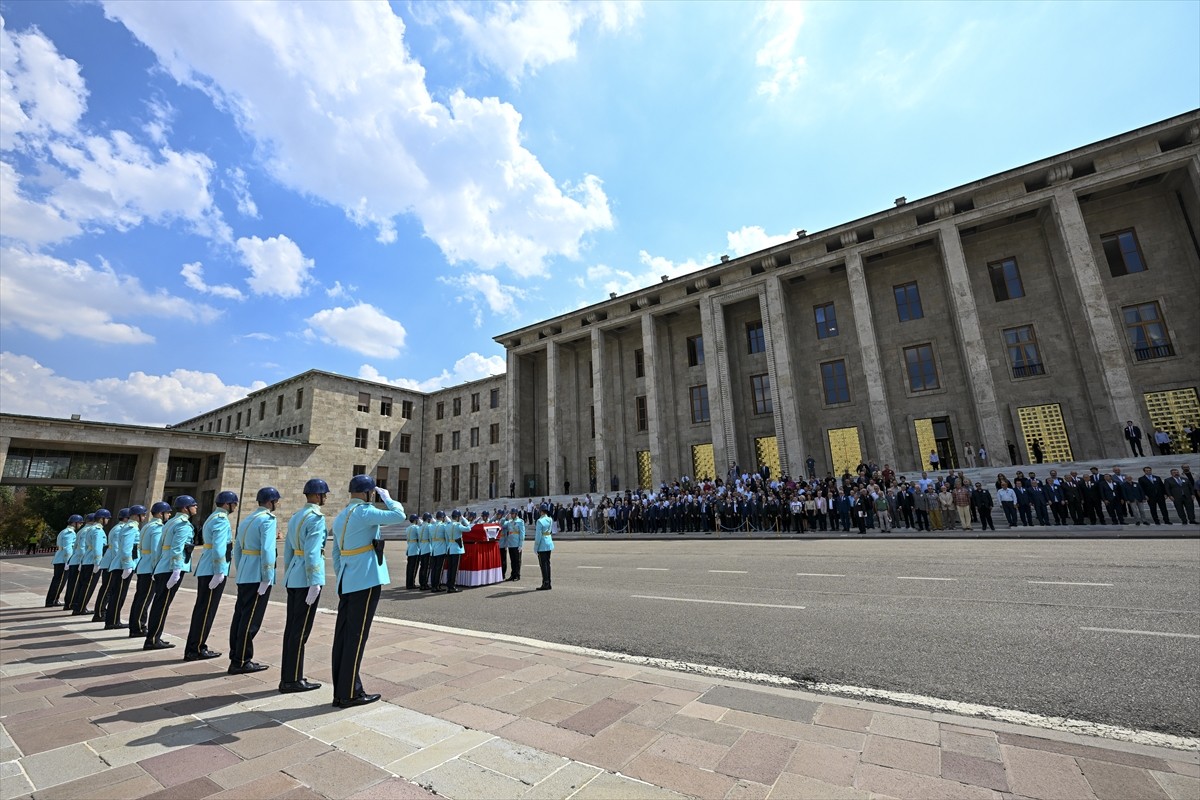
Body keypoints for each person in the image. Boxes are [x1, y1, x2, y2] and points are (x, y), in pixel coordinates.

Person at [330, 474, 404, 708]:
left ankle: (341, 690)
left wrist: (345, 573)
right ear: (368, 493)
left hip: (348, 579)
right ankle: (350, 692)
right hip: (365, 580)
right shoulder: (364, 512)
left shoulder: (342, 516)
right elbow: (399, 515)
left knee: (343, 637)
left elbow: (335, 554)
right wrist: (389, 499)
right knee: (356, 637)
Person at [280, 478, 329, 694]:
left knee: (292, 628)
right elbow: (312, 552)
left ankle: (289, 675)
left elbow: (289, 551)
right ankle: (292, 679)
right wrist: (315, 581)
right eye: (324, 495)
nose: (325, 498)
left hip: (294, 575)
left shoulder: (296, 517)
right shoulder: (316, 518)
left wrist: (290, 573)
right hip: (306, 579)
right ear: (318, 496)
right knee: (300, 631)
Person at [228, 487, 279, 675]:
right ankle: (242, 660)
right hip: (258, 574)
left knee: (240, 617)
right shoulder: (267, 520)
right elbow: (267, 550)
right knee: (251, 620)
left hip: (245, 573)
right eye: (276, 501)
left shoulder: (247, 520)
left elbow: (238, 549)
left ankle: (236, 655)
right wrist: (267, 576)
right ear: (270, 502)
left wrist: (241, 569)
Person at [185, 490, 238, 661]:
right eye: (234, 503)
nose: (235, 507)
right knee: (206, 610)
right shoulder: (221, 520)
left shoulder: (213, 517)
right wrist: (219, 571)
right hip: (212, 570)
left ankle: (195, 646)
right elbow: (219, 547)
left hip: (206, 568)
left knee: (202, 609)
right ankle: (196, 648)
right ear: (227, 504)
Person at [145, 495, 198, 651]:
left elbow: (161, 547)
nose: (196, 507)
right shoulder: (183, 525)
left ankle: (154, 637)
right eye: (193, 505)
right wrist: (176, 569)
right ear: (185, 508)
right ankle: (153, 639)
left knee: (159, 603)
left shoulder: (170, 523)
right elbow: (177, 548)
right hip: (170, 569)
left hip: (163, 566)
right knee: (162, 605)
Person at [128, 502, 170, 638]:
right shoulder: (157, 528)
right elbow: (155, 551)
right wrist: (155, 569)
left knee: (140, 598)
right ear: (160, 514)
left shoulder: (147, 526)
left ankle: (135, 625)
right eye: (167, 512)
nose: (169, 515)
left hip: (143, 565)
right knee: (144, 599)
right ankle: (139, 627)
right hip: (149, 568)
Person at [104, 504, 145, 629]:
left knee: (118, 594)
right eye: (142, 514)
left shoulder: (129, 527)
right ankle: (112, 622)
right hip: (123, 566)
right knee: (118, 595)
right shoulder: (131, 528)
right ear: (136, 516)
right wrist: (127, 565)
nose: (144, 517)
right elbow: (126, 548)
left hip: (122, 564)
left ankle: (113, 620)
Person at [89, 508, 125, 621]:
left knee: (108, 588)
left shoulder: (117, 528)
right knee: (107, 589)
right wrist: (118, 563)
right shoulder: (119, 529)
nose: (108, 520)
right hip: (111, 563)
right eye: (107, 518)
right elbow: (116, 548)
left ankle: (100, 612)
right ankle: (99, 613)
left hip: (110, 562)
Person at [72, 508, 110, 615]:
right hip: (92, 561)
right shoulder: (98, 531)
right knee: (88, 586)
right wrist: (98, 562)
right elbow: (98, 548)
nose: (107, 520)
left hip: (86, 560)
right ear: (102, 519)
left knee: (83, 585)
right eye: (107, 518)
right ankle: (80, 608)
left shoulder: (90, 529)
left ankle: (78, 606)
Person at [45, 514, 83, 607]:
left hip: (60, 558)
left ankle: (53, 599)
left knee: (57, 580)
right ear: (75, 523)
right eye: (80, 523)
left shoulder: (64, 531)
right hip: (63, 559)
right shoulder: (70, 532)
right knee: (59, 581)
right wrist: (68, 561)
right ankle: (52, 600)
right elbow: (68, 548)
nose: (81, 525)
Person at [62, 513, 93, 613]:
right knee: (75, 585)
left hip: (75, 560)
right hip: (79, 560)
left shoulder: (81, 531)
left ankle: (70, 603)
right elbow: (83, 547)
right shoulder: (87, 531)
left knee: (73, 584)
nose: (80, 524)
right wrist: (81, 561)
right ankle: (71, 603)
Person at [445, 510, 469, 593]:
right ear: (458, 517)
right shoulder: (458, 525)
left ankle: (449, 585)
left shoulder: (448, 525)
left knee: (450, 568)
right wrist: (464, 519)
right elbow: (468, 528)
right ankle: (452, 586)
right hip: (456, 549)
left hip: (449, 548)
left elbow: (446, 537)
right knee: (454, 569)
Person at [534, 507, 554, 590]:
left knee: (543, 565)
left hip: (542, 544)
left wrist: (536, 547)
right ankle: (548, 582)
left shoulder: (539, 521)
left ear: (541, 511)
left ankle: (545, 583)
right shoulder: (550, 519)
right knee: (547, 564)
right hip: (549, 542)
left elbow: (538, 536)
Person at [428, 510, 449, 592]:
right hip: (441, 549)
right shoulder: (444, 526)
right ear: (443, 517)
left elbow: (430, 538)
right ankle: (437, 586)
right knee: (439, 569)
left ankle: (433, 585)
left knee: (433, 569)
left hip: (433, 549)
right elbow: (447, 538)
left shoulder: (431, 526)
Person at [506, 509, 525, 581]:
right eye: (511, 513)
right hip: (510, 543)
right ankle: (513, 574)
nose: (512, 515)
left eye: (513, 513)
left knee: (517, 560)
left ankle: (517, 575)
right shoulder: (509, 522)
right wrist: (505, 518)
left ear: (516, 514)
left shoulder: (520, 521)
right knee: (512, 560)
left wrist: (520, 544)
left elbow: (522, 533)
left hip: (517, 543)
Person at [404, 514, 421, 589]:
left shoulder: (407, 528)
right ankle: (411, 584)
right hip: (415, 549)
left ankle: (408, 583)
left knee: (409, 567)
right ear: (415, 520)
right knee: (414, 567)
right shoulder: (416, 528)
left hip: (410, 548)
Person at [417, 512, 433, 589]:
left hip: (421, 547)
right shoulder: (429, 526)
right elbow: (431, 537)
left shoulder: (420, 527)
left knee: (422, 566)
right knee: (426, 566)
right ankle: (424, 584)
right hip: (427, 547)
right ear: (428, 519)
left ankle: (421, 583)